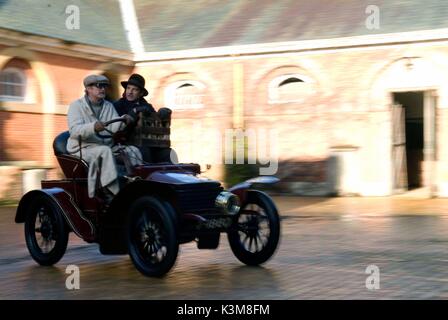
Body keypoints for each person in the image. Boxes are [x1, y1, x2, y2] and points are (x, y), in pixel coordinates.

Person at [66, 74, 143, 201]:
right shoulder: (76, 106)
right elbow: (74, 131)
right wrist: (93, 127)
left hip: (104, 144)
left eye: (104, 86)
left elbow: (112, 128)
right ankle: (110, 191)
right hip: (83, 148)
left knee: (133, 150)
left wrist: (123, 120)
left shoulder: (108, 106)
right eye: (99, 86)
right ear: (88, 89)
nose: (103, 89)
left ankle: (136, 185)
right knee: (104, 151)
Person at [114, 73, 176, 163]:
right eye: (128, 88)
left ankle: (166, 173)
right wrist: (134, 111)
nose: (130, 92)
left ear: (141, 93)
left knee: (167, 153)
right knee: (144, 151)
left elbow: (156, 121)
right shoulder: (118, 105)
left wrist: (162, 114)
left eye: (134, 89)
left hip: (149, 142)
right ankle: (146, 176)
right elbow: (118, 127)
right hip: (127, 143)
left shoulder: (146, 106)